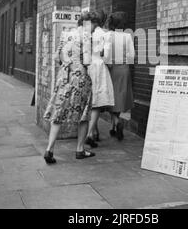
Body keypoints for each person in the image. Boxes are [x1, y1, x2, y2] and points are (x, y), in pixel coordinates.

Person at [43, 13, 97, 164]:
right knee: (84, 114)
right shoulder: (86, 36)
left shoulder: (65, 33)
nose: (94, 29)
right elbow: (87, 61)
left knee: (59, 111)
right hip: (79, 77)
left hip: (64, 76)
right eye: (94, 25)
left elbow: (56, 57)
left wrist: (67, 64)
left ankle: (49, 149)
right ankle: (80, 149)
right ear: (89, 23)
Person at [85, 10, 115, 148]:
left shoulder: (85, 33)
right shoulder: (105, 34)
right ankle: (90, 134)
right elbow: (107, 56)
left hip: (88, 66)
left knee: (90, 100)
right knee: (98, 101)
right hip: (99, 66)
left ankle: (94, 131)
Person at [106, 12, 135, 141]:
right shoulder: (127, 36)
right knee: (120, 97)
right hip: (124, 69)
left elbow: (104, 54)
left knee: (110, 98)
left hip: (111, 68)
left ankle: (116, 122)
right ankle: (113, 126)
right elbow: (132, 56)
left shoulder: (108, 36)